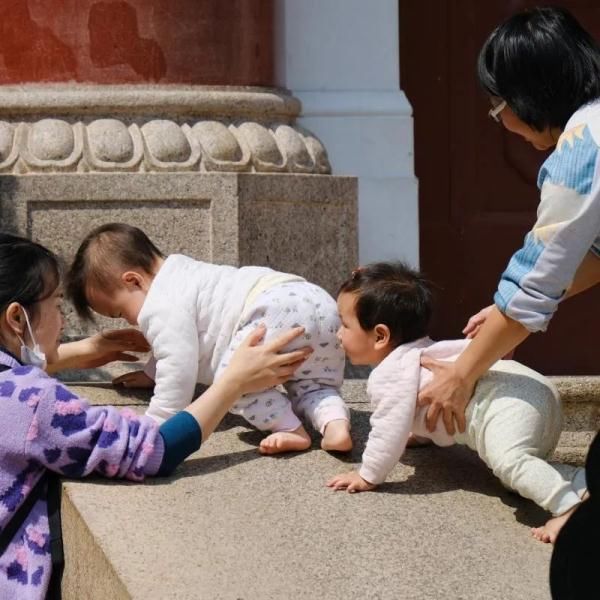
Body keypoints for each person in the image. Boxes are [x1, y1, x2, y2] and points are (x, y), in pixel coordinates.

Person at [0, 232, 312, 599]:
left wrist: (85, 351)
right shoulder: (36, 402)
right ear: (17, 317)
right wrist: (233, 383)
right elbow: (152, 449)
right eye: (56, 304)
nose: (62, 320)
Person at [416, 6, 600, 542]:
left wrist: (462, 373)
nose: (501, 120)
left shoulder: (582, 150)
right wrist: (503, 317)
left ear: (530, 94)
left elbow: (539, 278)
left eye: (498, 105)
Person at [325, 263, 586, 543]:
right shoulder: (431, 350)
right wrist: (422, 435)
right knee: (519, 475)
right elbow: (415, 411)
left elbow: (389, 427)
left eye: (345, 324)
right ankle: (583, 483)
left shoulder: (389, 375)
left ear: (380, 336)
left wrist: (368, 475)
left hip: (510, 405)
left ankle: (569, 509)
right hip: (536, 392)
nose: (338, 334)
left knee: (511, 463)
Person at [66, 223, 352, 455]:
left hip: (273, 309)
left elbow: (178, 362)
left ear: (133, 281)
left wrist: (159, 419)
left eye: (119, 311)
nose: (128, 321)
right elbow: (183, 340)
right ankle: (335, 425)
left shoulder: (159, 304)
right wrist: (152, 373)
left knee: (236, 377)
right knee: (312, 383)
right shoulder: (183, 273)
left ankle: (290, 428)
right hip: (316, 303)